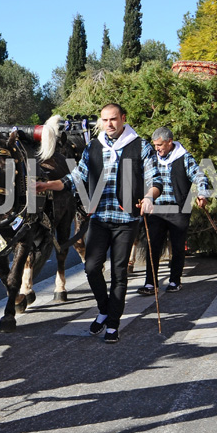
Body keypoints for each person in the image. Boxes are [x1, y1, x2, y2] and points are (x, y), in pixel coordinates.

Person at [37, 103, 162, 343]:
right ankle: (104, 309)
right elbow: (75, 178)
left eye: (113, 119)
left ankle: (113, 324)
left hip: (126, 220)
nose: (109, 124)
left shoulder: (140, 146)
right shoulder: (94, 147)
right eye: (104, 120)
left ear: (123, 118)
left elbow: (155, 179)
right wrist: (46, 185)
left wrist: (149, 196)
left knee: (118, 273)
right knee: (91, 268)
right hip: (99, 218)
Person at [137, 127, 209, 296]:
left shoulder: (184, 158)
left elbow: (199, 176)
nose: (157, 148)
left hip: (178, 209)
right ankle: (150, 283)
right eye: (155, 145)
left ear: (170, 142)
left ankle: (175, 280)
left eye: (160, 145)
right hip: (156, 210)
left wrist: (202, 193)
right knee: (152, 246)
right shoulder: (151, 159)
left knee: (177, 247)